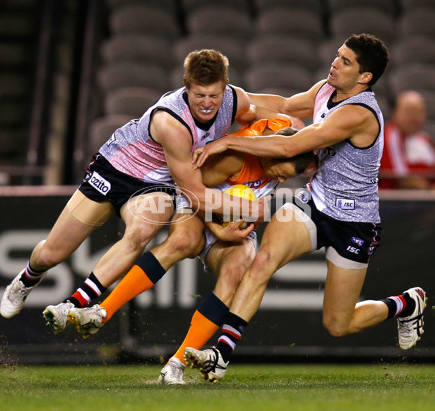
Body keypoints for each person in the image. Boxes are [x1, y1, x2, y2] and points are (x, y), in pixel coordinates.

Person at [185, 34, 427, 382]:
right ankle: (220, 355)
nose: (335, 62)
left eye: (345, 61)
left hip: (354, 223)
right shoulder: (326, 90)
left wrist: (227, 141)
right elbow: (283, 106)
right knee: (261, 262)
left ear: (365, 78)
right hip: (315, 202)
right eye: (337, 55)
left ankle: (406, 304)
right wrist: (223, 94)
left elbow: (291, 147)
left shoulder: (359, 114)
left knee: (338, 324)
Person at [0, 49, 273, 322]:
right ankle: (27, 278)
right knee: (51, 254)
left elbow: (284, 110)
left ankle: (72, 304)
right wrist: (256, 210)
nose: (206, 103)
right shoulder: (171, 122)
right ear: (186, 87)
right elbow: (197, 195)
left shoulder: (235, 100)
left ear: (225, 89)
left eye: (214, 95)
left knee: (140, 233)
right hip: (115, 169)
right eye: (199, 95)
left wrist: (293, 127)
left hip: (156, 184)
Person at [63, 121, 317, 385]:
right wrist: (217, 230)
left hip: (228, 225)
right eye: (282, 172)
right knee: (183, 241)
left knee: (238, 267)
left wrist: (240, 224)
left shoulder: (282, 154)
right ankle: (101, 312)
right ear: (276, 151)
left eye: (286, 178)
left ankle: (176, 364)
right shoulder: (235, 160)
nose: (281, 179)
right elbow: (195, 192)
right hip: (198, 209)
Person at [380, 90, 435, 190]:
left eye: (418, 112)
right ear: (395, 113)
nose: (414, 118)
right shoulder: (388, 136)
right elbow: (402, 179)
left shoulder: (426, 139)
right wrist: (431, 189)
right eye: (409, 112)